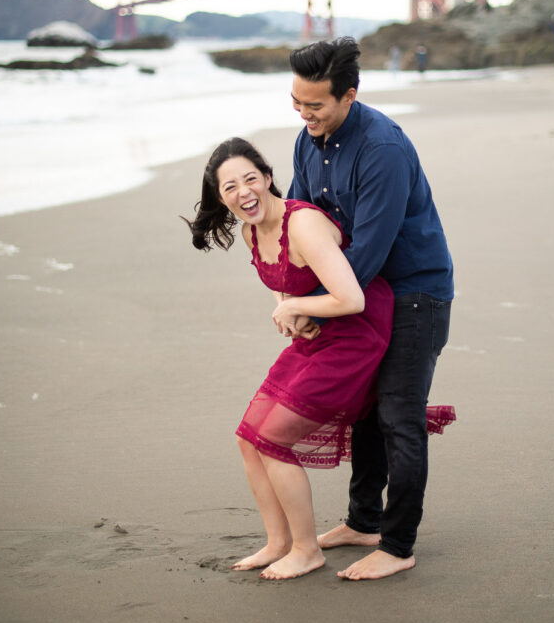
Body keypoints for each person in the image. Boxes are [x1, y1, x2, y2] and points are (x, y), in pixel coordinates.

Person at [186, 138, 453, 581]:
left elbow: (352, 298)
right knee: (247, 438)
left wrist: (294, 309)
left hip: (357, 331)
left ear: (269, 178)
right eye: (230, 186)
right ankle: (278, 542)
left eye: (250, 178)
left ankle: (307, 550)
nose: (243, 192)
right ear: (220, 195)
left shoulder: (303, 224)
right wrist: (294, 312)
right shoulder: (252, 228)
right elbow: (281, 282)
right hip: (320, 331)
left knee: (273, 437)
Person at [285, 36, 455, 580]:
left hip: (414, 292)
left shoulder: (381, 148)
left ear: (349, 96)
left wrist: (314, 308)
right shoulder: (306, 141)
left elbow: (369, 251)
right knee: (364, 412)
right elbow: (298, 220)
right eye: (296, 102)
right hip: (358, 292)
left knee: (399, 417)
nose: (305, 114)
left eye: (315, 105)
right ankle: (364, 520)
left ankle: (399, 545)